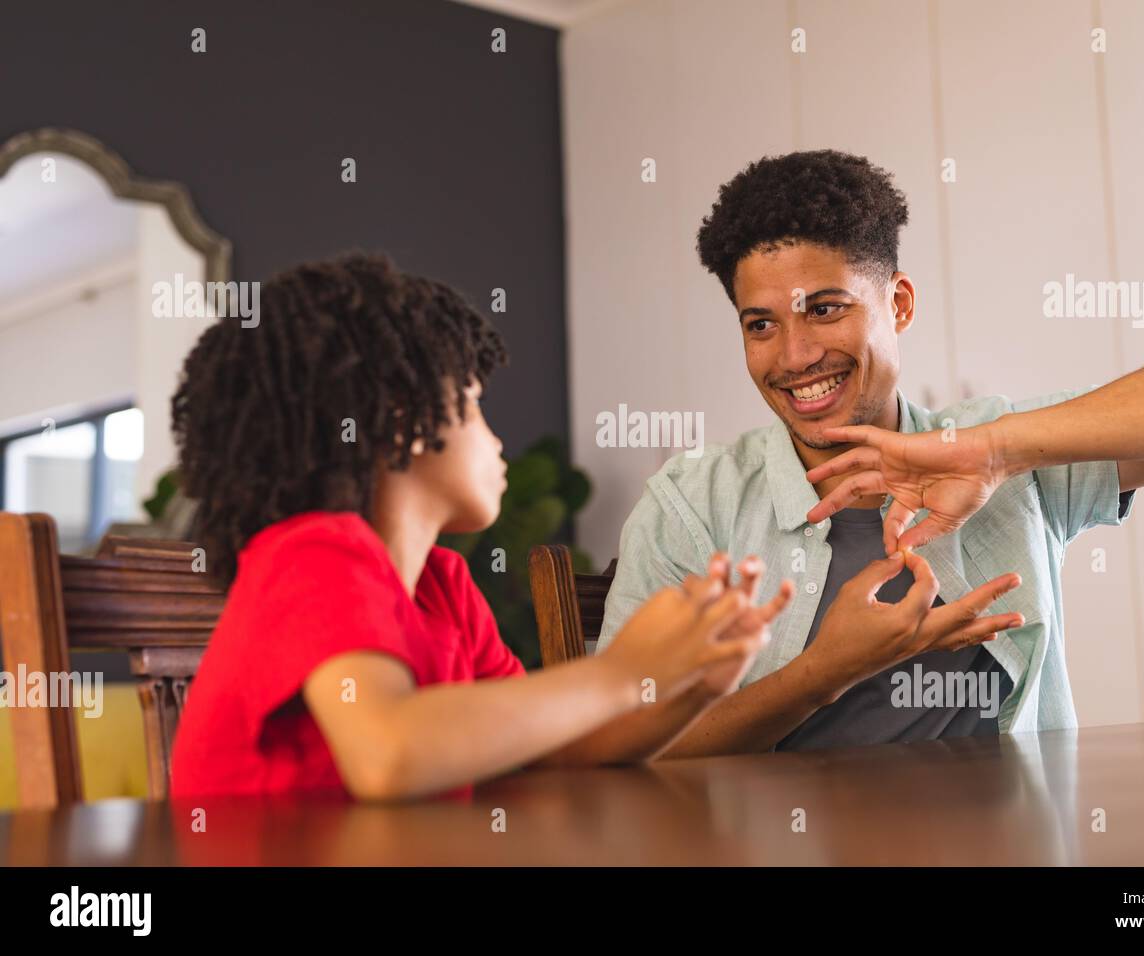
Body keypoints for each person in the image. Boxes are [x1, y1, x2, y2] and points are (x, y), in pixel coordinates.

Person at [597, 149, 1144, 752]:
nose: (796, 355)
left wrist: (994, 452)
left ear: (898, 304)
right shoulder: (693, 504)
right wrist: (821, 673)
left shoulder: (1001, 452)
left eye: (825, 308)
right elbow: (625, 745)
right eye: (760, 324)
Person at [168, 252, 794, 800]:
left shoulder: (442, 584)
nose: (496, 441)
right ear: (405, 420)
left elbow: (552, 752)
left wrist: (691, 685)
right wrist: (621, 671)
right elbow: (388, 755)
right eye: (471, 403)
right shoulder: (312, 554)